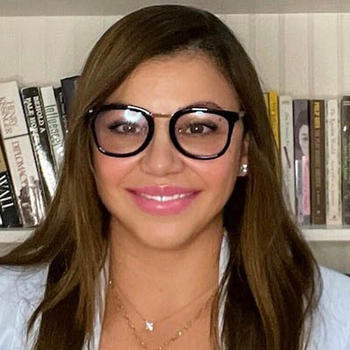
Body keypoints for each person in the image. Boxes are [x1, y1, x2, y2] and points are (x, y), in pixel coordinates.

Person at [0, 5, 350, 350]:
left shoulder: (337, 318)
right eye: (126, 126)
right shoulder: (7, 308)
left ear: (244, 150)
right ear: (88, 148)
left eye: (198, 127)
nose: (161, 162)